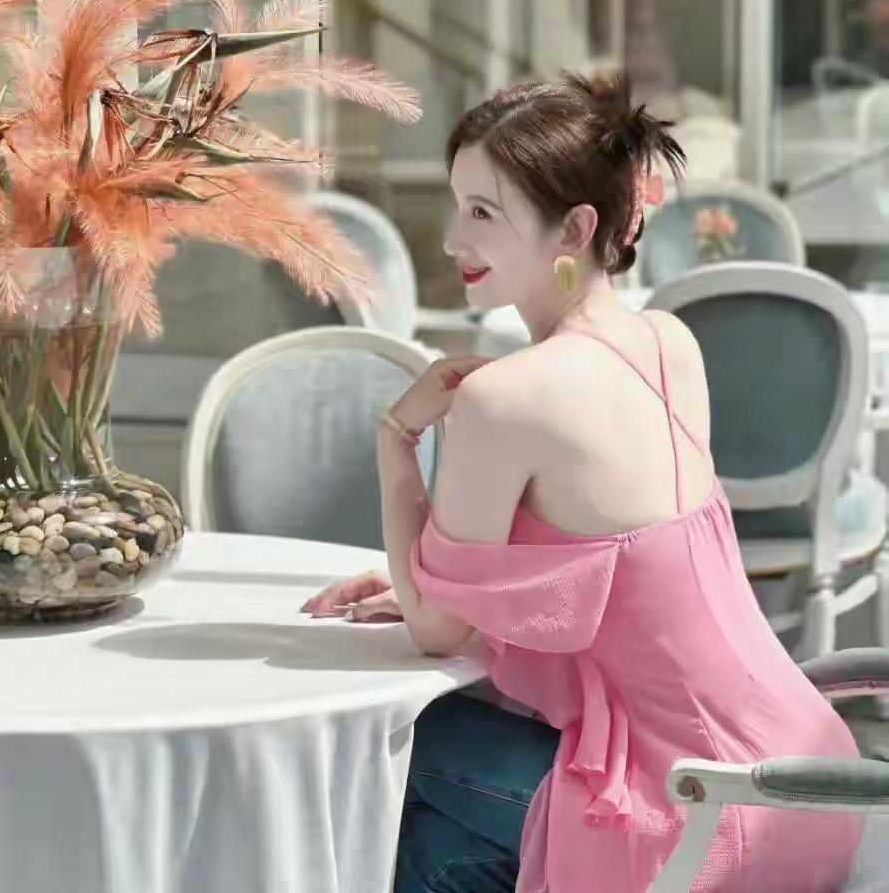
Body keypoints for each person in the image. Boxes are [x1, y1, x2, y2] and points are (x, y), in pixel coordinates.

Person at [303, 73, 860, 893]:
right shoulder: (669, 342)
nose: (453, 239)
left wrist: (397, 438)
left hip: (706, 815)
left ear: (575, 227)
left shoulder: (504, 399)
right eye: (458, 206)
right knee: (441, 849)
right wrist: (444, 590)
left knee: (395, 745)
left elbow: (434, 636)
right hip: (813, 784)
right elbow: (626, 576)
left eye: (482, 213)